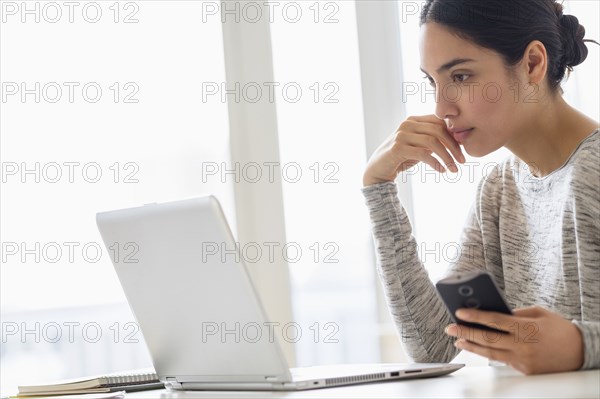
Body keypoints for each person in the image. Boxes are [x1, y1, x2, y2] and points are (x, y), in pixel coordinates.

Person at [362, 0, 599, 375]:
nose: (442, 107)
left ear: (533, 64)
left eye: (460, 77)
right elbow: (432, 346)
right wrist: (378, 187)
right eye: (432, 81)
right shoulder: (500, 189)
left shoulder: (595, 170)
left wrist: (580, 346)